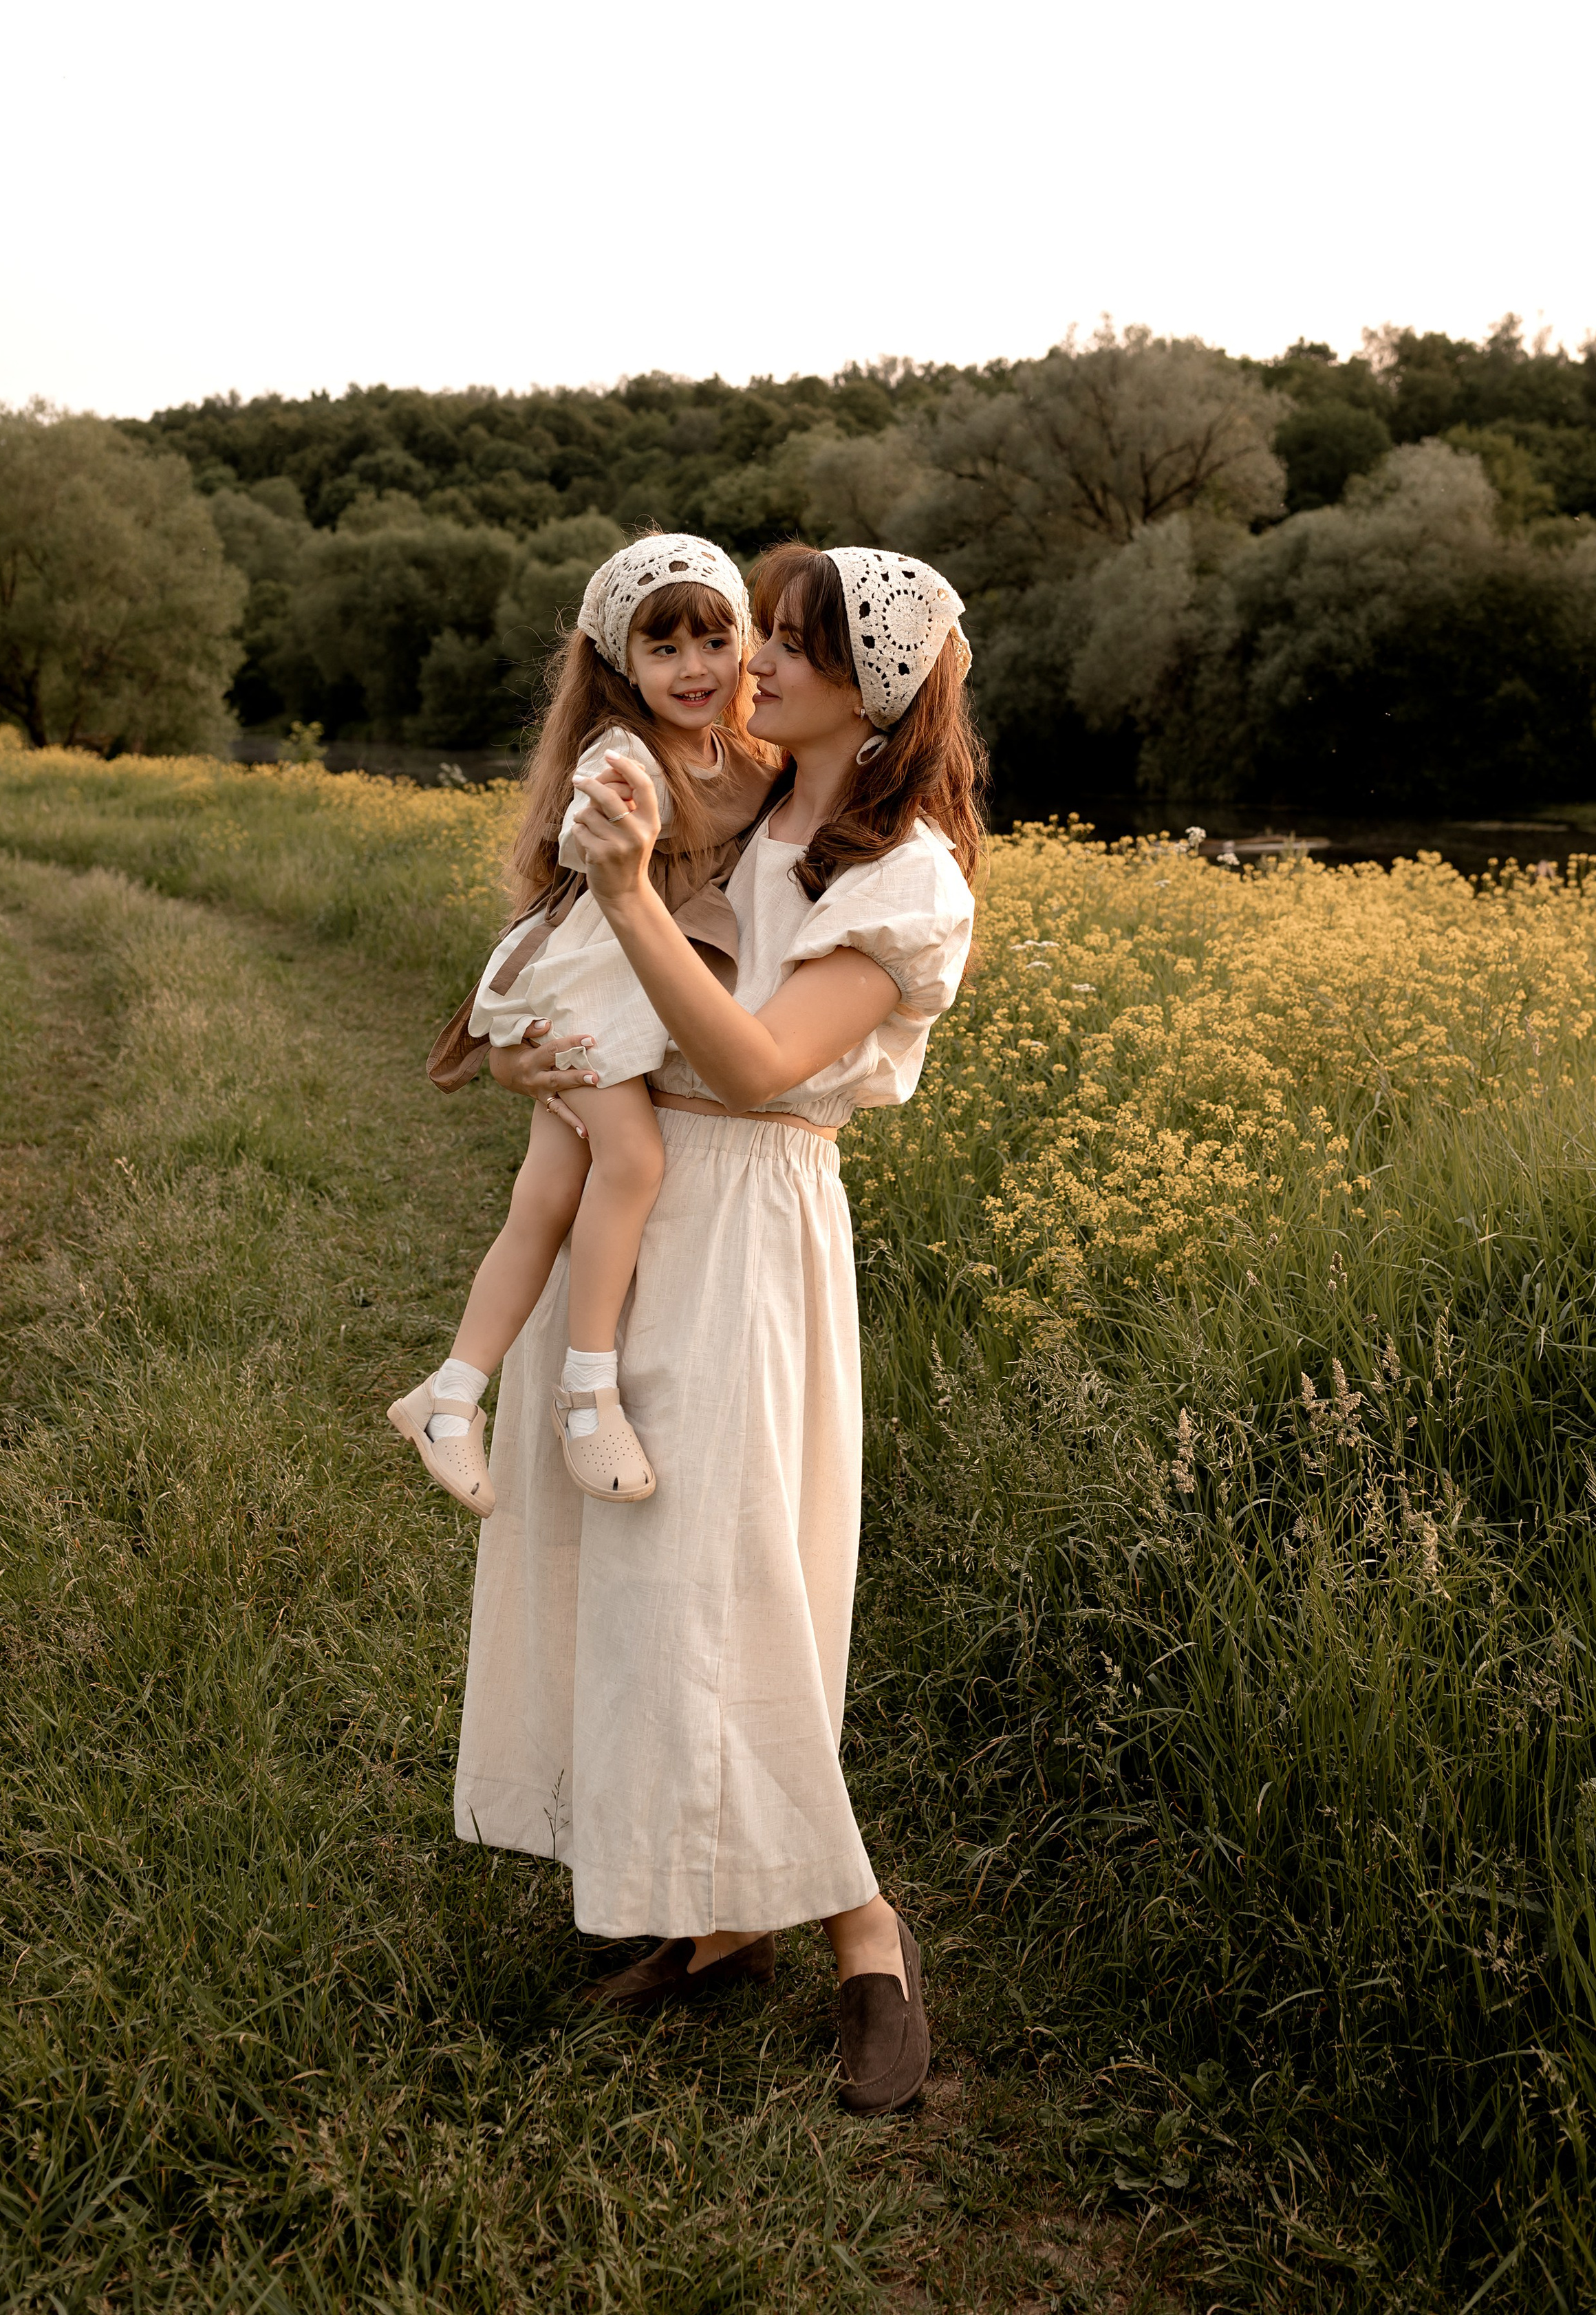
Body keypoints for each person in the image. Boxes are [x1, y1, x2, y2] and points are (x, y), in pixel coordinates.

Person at [454, 541, 982, 2115]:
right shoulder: (734, 800)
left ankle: (864, 1928)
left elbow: (754, 1066)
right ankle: (714, 1913)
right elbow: (592, 988)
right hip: (640, 1201)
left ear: (873, 686)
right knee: (642, 1570)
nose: (761, 656)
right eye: (771, 632)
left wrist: (622, 904)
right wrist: (523, 1050)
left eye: (802, 641)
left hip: (749, 1217)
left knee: (743, 1570)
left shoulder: (907, 878)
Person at [389, 537, 776, 1515]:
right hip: (587, 988)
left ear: (745, 643)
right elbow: (587, 837)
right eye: (664, 649)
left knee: (547, 1197)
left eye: (715, 640)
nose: (695, 669)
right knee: (633, 1164)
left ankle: (449, 1396)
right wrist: (623, 819)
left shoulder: (738, 751)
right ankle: (586, 1389)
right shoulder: (624, 754)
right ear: (620, 664)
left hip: (621, 988)